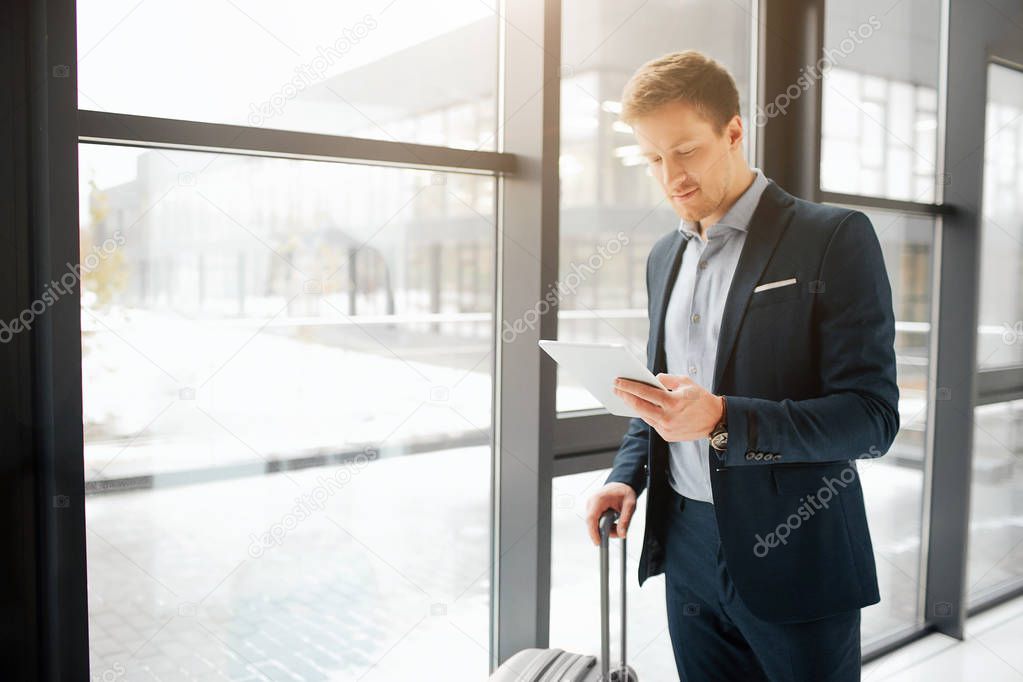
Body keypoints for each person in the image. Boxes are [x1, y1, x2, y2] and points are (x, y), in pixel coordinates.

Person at [583, 50, 899, 681]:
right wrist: (628, 475)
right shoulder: (661, 258)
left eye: (687, 150)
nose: (671, 175)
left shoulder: (832, 237)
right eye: (652, 158)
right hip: (688, 543)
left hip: (796, 553)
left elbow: (871, 419)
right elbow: (661, 396)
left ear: (733, 132)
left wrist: (725, 418)